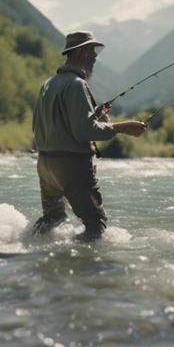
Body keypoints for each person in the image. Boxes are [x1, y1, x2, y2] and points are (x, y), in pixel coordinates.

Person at [30, 31, 146, 240]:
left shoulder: (48, 84)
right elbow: (85, 132)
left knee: (52, 219)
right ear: (82, 52)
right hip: (71, 166)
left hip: (45, 165)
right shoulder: (76, 84)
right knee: (95, 225)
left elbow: (44, 125)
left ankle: (27, 245)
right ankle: (84, 269)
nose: (95, 56)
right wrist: (124, 127)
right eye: (92, 50)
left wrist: (97, 115)